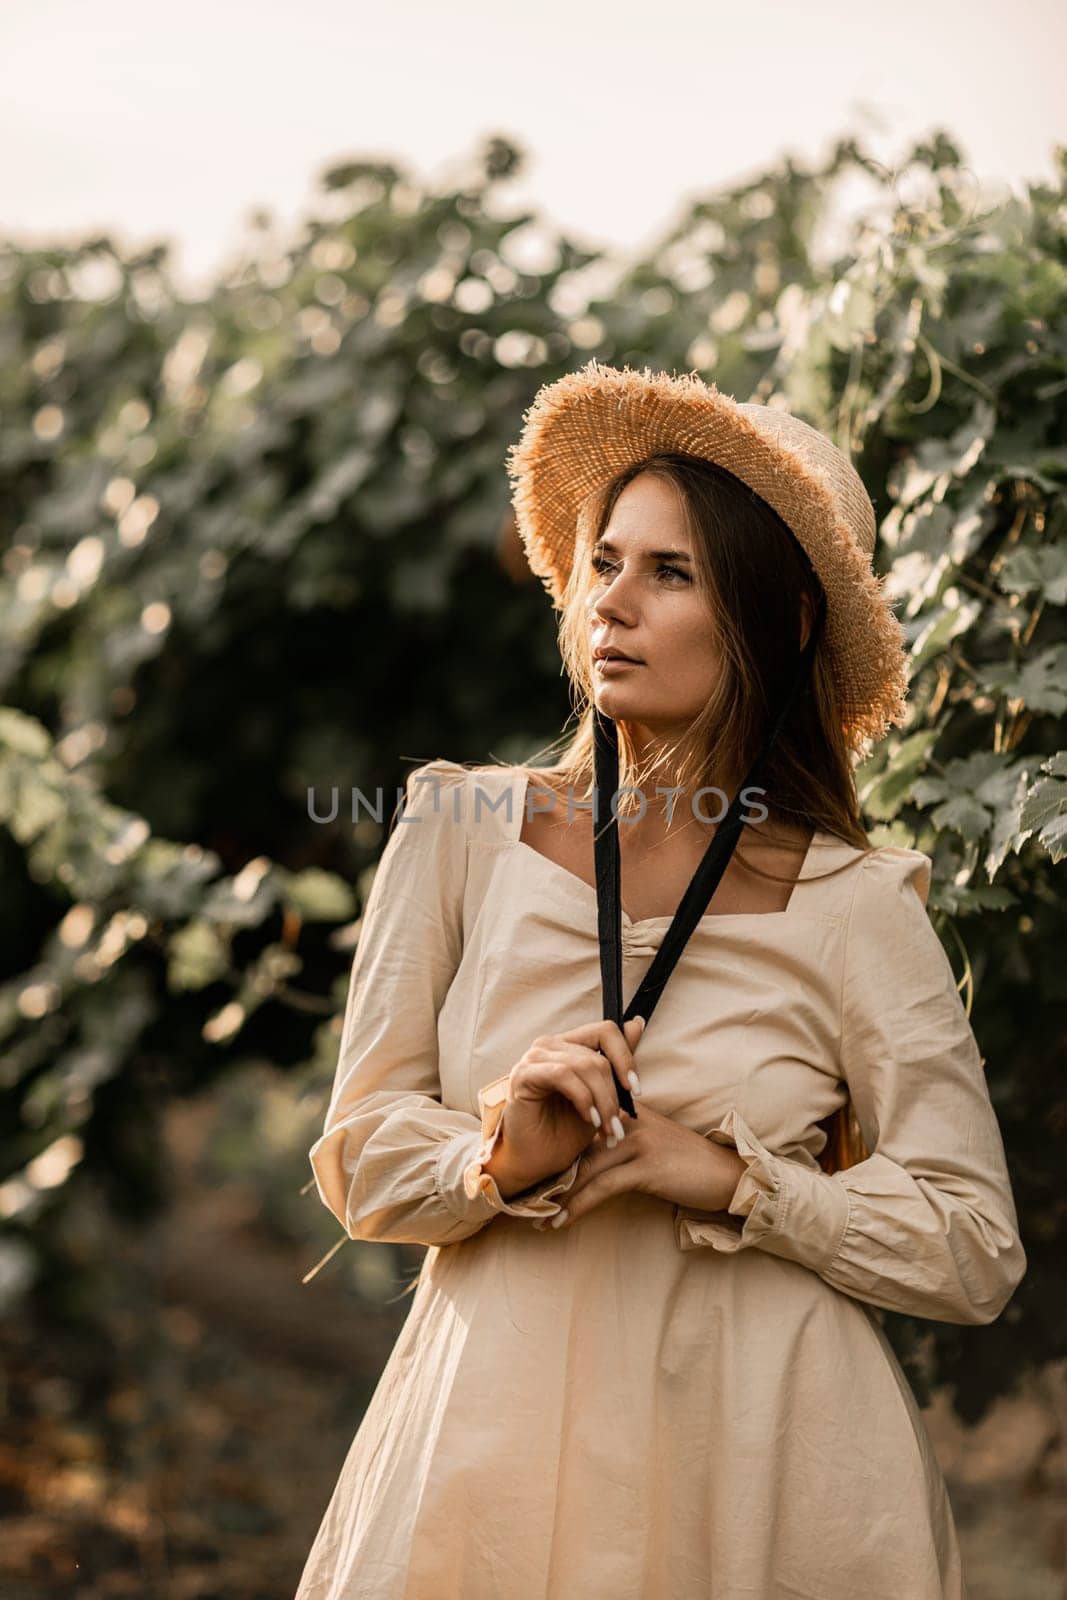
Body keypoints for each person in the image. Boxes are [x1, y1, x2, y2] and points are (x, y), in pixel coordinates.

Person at [295, 361, 1026, 1600]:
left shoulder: (855, 902)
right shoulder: (460, 826)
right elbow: (359, 1160)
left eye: (670, 572)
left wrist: (741, 1181)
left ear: (782, 621)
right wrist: (496, 1154)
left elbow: (970, 1246)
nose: (610, 603)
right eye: (605, 563)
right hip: (492, 1442)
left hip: (761, 1463)